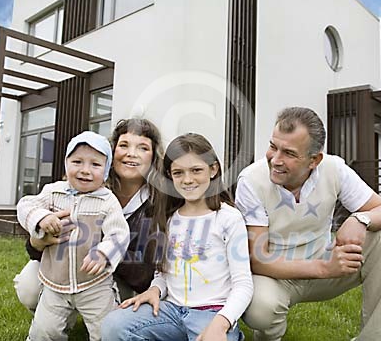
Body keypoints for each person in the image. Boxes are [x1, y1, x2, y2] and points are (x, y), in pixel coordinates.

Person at [235, 107, 381, 341]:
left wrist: (360, 219)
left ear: (314, 160)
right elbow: (258, 259)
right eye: (273, 146)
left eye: (289, 153)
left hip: (326, 264)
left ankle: (378, 338)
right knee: (260, 309)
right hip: (276, 276)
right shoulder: (251, 181)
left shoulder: (334, 168)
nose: (275, 160)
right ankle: (267, 338)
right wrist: (324, 268)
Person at [101, 133, 253, 341]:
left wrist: (221, 323)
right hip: (171, 311)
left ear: (213, 169)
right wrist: (155, 289)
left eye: (196, 170)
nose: (188, 179)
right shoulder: (169, 218)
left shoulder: (229, 218)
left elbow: (243, 284)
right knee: (113, 326)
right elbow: (163, 273)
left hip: (212, 314)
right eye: (178, 173)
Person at [14, 118, 165, 312]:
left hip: (120, 280)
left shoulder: (158, 203)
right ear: (110, 154)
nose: (131, 153)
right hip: (65, 268)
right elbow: (37, 247)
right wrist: (39, 241)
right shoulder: (81, 188)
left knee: (113, 313)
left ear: (153, 158)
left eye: (143, 148)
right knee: (29, 286)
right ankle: (55, 315)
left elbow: (147, 272)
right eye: (124, 145)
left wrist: (105, 249)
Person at [17, 131, 130, 340]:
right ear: (66, 164)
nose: (85, 170)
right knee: (44, 331)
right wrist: (41, 218)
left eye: (95, 165)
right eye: (77, 161)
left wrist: (104, 254)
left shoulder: (107, 200)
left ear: (105, 171)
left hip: (95, 284)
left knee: (105, 330)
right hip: (54, 283)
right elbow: (25, 205)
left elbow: (119, 234)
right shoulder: (53, 192)